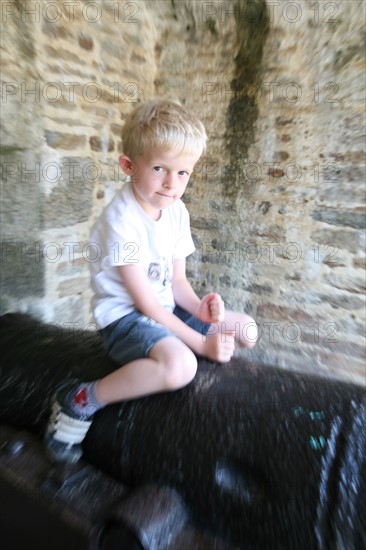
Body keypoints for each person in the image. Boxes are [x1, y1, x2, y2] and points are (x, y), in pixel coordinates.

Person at [44, 98, 258, 462]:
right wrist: (200, 343)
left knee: (246, 329)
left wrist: (201, 308)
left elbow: (177, 284)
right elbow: (145, 303)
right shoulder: (121, 221)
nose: (172, 184)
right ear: (129, 165)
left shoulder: (175, 212)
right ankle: (81, 398)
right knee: (182, 366)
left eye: (183, 173)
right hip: (125, 321)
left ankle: (186, 347)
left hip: (167, 310)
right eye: (160, 168)